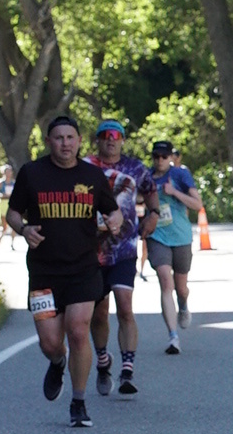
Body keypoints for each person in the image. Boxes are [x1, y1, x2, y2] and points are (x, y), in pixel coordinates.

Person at [7, 113, 123, 429]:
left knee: (78, 330)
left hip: (83, 269)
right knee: (50, 343)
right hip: (44, 273)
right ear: (48, 142)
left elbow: (113, 211)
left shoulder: (93, 176)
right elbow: (13, 213)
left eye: (70, 138)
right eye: (59, 138)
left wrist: (115, 221)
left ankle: (79, 402)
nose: (65, 144)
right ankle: (58, 362)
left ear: (79, 141)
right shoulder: (32, 173)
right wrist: (23, 229)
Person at [86, 119, 154, 398]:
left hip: (124, 249)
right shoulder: (86, 167)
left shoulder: (135, 168)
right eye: (105, 135)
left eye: (116, 135)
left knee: (125, 307)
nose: (111, 140)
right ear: (98, 140)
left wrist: (153, 215)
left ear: (123, 140)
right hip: (91, 251)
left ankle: (127, 370)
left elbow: (151, 191)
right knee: (99, 312)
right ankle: (103, 362)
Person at [146, 140, 202, 352]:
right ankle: (173, 336)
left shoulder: (180, 175)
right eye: (156, 156)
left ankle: (183, 304)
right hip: (157, 236)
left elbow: (197, 204)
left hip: (180, 236)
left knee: (181, 288)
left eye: (164, 156)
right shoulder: (146, 177)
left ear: (171, 157)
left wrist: (174, 192)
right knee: (165, 281)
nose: (160, 160)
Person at [0, 166, 17, 246]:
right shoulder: (0, 183)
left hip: (12, 204)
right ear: (3, 173)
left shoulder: (14, 183)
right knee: (4, 225)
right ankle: (0, 236)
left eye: (10, 171)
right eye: (7, 172)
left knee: (14, 225)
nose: (9, 173)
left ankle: (12, 243)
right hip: (3, 205)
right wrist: (1, 195)